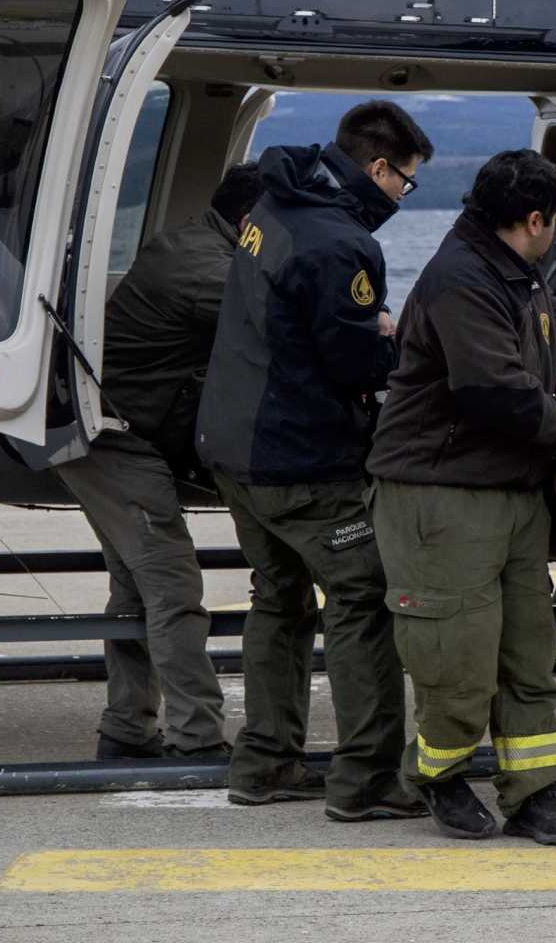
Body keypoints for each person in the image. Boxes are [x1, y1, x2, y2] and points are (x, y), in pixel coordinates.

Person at [195, 101, 432, 821]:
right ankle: (366, 779)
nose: (401, 198)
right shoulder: (341, 244)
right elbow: (352, 361)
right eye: (404, 184)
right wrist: (387, 337)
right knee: (362, 602)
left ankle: (263, 762)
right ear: (378, 168)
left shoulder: (275, 199)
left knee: (280, 597)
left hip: (232, 449)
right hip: (301, 460)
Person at [366, 149, 556, 846]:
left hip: (510, 492)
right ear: (532, 220)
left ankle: (535, 792)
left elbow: (546, 309)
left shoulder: (506, 265)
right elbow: (496, 394)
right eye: (552, 221)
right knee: (454, 659)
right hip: (443, 494)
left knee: (527, 654)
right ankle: (439, 775)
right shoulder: (461, 279)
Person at [57, 163, 263, 762]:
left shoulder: (197, 243)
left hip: (120, 429)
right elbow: (272, 321)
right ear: (251, 224)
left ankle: (125, 730)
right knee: (171, 584)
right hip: (115, 438)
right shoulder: (204, 266)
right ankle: (197, 739)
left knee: (135, 588)